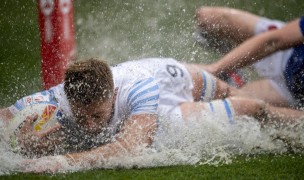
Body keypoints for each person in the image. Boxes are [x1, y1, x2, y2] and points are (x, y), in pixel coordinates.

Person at [0, 57, 300, 173]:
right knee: (249, 108)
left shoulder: (137, 89)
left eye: (98, 116)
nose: (90, 126)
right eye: (83, 117)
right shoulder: (53, 100)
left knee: (234, 94)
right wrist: (19, 135)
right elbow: (5, 117)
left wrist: (61, 160)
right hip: (165, 116)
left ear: (113, 95)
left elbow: (130, 147)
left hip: (169, 76)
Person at [195, 7, 304, 108]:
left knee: (226, 102)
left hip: (288, 92)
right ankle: (231, 64)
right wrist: (215, 69)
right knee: (206, 17)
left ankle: (235, 79)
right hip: (285, 50)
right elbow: (272, 41)